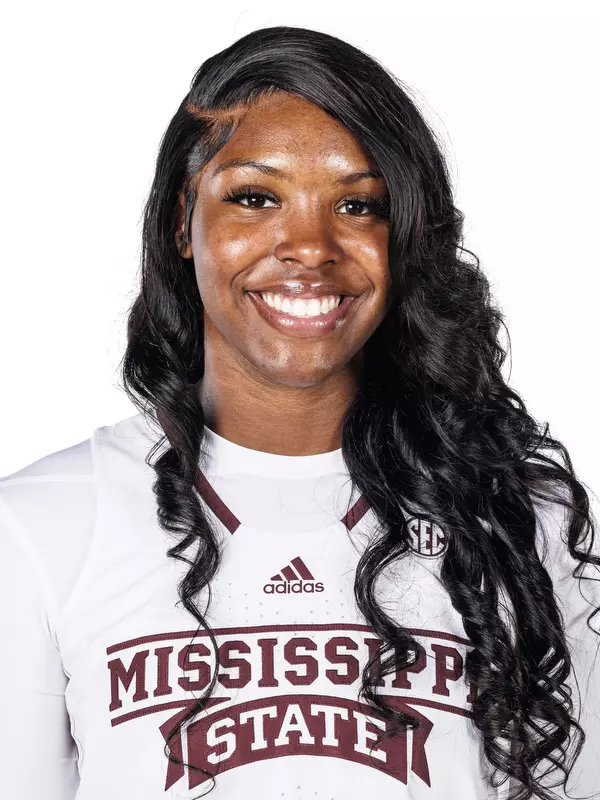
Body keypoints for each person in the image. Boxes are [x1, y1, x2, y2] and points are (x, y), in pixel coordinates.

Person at [0, 24, 598, 800]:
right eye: (255, 197)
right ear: (184, 221)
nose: (310, 246)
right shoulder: (39, 526)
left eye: (358, 205)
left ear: (407, 237)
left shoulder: (519, 517)